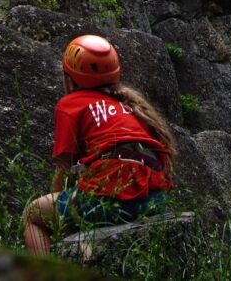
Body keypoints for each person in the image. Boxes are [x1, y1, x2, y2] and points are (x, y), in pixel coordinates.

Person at [23, 34, 177, 255]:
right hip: (154, 199)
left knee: (33, 214)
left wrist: (58, 208)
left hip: (111, 195)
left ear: (70, 79)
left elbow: (63, 170)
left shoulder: (71, 105)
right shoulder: (131, 106)